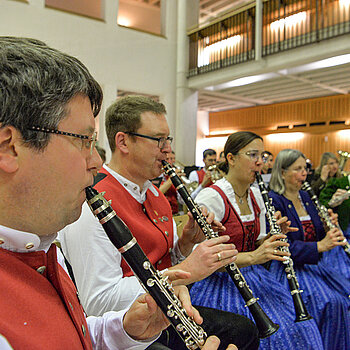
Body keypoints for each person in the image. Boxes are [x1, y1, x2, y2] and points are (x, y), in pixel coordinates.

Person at [0, 36, 240, 350]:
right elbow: (96, 300)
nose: (96, 159)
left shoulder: (38, 240)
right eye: (84, 140)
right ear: (10, 147)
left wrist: (124, 329)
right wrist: (184, 271)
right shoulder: (81, 211)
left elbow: (74, 334)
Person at [60, 96, 259, 350]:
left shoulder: (155, 195)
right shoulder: (92, 204)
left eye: (168, 140)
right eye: (158, 140)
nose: (167, 150)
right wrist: (187, 269)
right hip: (128, 329)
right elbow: (99, 302)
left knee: (244, 330)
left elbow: (164, 261)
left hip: (166, 310)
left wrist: (185, 244)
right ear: (123, 142)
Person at [189, 132, 324, 350]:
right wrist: (254, 257)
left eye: (262, 155)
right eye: (253, 155)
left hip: (255, 277)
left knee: (301, 326)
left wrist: (271, 238)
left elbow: (257, 244)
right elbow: (200, 258)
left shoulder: (257, 195)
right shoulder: (211, 197)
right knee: (275, 338)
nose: (261, 162)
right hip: (220, 283)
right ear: (231, 158)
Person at [268, 149, 350, 350]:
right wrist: (320, 246)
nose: (304, 173)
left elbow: (318, 231)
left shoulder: (306, 196)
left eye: (305, 168)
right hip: (291, 268)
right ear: (283, 172)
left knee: (345, 292)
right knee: (331, 303)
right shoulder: (274, 199)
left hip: (314, 266)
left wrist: (330, 224)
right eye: (297, 169)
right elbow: (283, 244)